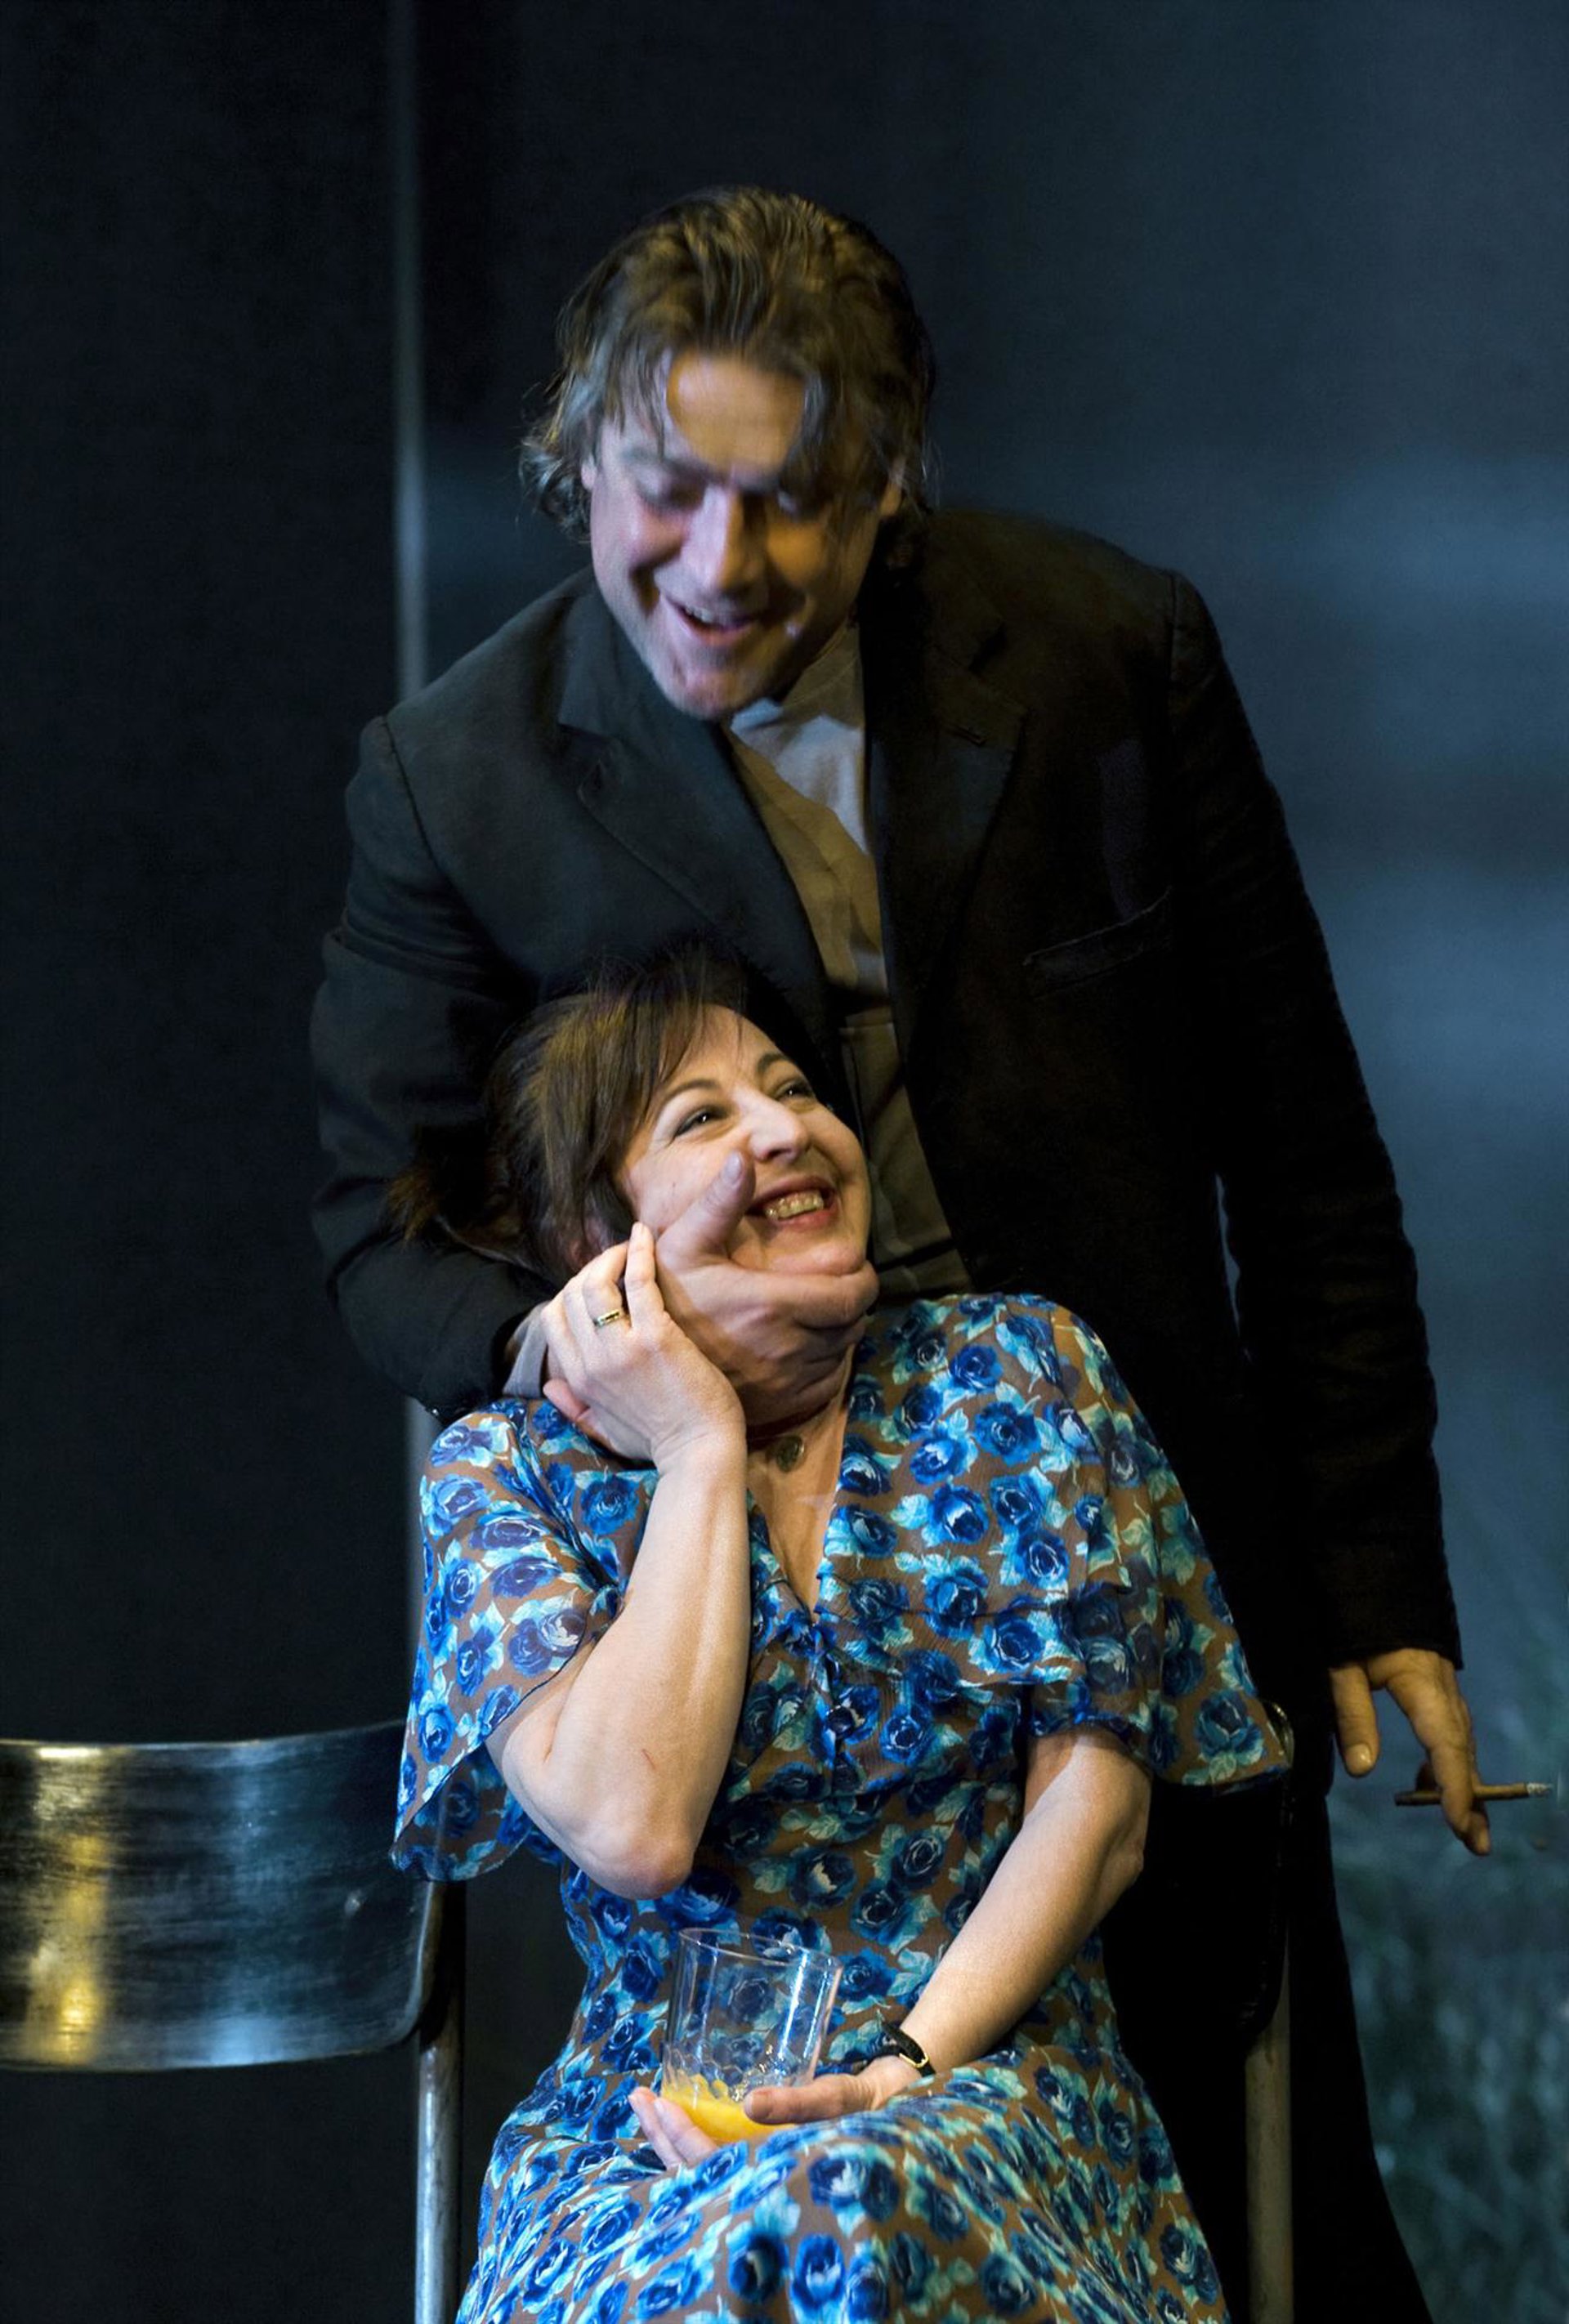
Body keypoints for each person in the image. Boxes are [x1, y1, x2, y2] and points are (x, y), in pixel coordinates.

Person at [314, 186, 1483, 2313]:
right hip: (744, 1638)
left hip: (1095, 1524)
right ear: (583, 457)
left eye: (792, 502)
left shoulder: (1109, 651)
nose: (721, 565)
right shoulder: (459, 778)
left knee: (1274, 2207)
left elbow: (1302, 1147)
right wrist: (637, 1372)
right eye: (670, 491)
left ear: (888, 490)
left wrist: (1372, 1568)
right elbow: (378, 1232)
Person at [393, 953, 1290, 2324]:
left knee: (849, 2205)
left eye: (794, 1090)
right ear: (591, 1239)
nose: (786, 1130)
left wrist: (905, 2070)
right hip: (650, 2140)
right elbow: (636, 1830)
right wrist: (698, 1444)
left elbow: (1100, 1815)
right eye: (703, 1118)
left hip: (987, 2092)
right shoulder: (507, 1477)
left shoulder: (1018, 1372)